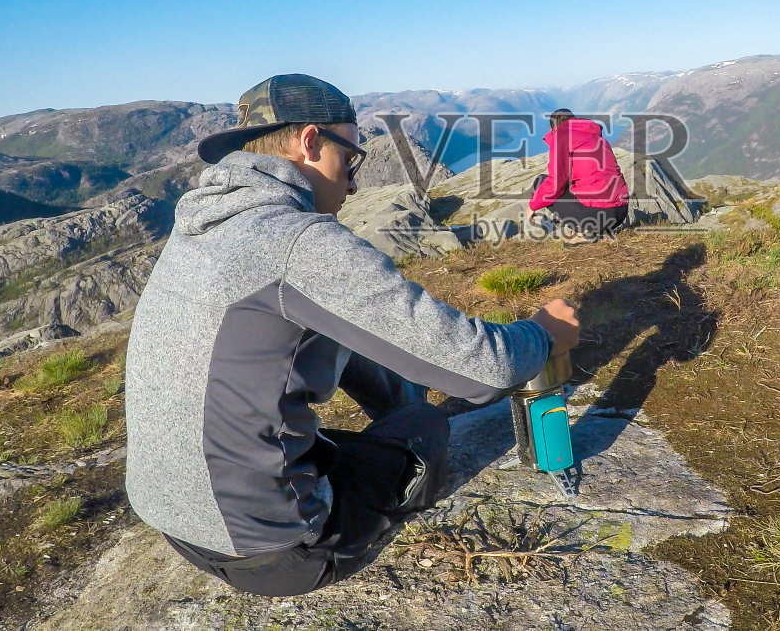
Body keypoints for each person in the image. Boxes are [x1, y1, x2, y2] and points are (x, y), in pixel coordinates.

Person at [124, 73, 581, 597]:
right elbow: (484, 368)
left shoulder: (197, 227)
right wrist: (542, 335)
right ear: (311, 141)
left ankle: (395, 420)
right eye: (352, 159)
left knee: (361, 420)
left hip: (179, 525)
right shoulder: (297, 242)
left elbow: (336, 336)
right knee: (427, 428)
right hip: (281, 552)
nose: (354, 182)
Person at [525, 109, 631, 243]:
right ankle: (591, 228)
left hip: (598, 214)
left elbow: (555, 183)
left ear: (554, 127)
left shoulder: (561, 138)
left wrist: (532, 206)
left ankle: (586, 231)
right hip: (620, 211)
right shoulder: (598, 138)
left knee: (541, 181)